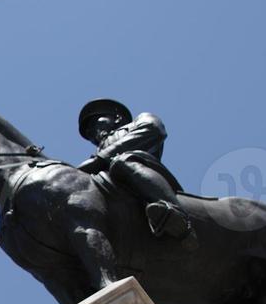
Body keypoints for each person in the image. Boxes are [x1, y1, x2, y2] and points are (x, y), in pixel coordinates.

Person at [77, 98, 193, 240]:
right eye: (88, 130)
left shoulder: (139, 121)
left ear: (117, 117)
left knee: (122, 161)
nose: (91, 131)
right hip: (115, 184)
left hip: (141, 168)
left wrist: (101, 158)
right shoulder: (95, 155)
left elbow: (154, 129)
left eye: (94, 121)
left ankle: (176, 214)